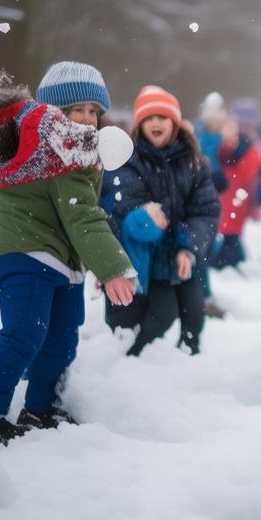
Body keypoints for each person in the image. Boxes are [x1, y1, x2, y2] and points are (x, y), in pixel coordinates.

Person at [0, 71, 136, 447]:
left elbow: (76, 218)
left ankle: (40, 408)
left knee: (62, 339)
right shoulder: (60, 154)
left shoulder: (57, 150)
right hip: (27, 254)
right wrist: (112, 267)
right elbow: (82, 216)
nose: (87, 119)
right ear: (51, 112)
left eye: (93, 111)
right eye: (76, 109)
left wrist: (92, 263)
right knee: (25, 333)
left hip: (55, 260)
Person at [101, 86, 220, 357]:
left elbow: (205, 211)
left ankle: (189, 359)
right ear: (140, 124)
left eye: (163, 117)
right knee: (163, 314)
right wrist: (148, 219)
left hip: (181, 253)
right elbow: (127, 206)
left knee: (195, 313)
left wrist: (188, 247)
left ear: (175, 123)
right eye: (149, 118)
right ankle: (132, 356)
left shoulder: (193, 162)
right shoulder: (129, 160)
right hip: (150, 259)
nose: (156, 123)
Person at [212, 116, 261, 270]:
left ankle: (229, 259)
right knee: (228, 226)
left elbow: (248, 173)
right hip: (228, 191)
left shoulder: (248, 150)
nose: (230, 137)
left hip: (237, 193)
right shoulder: (222, 148)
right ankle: (228, 258)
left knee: (231, 227)